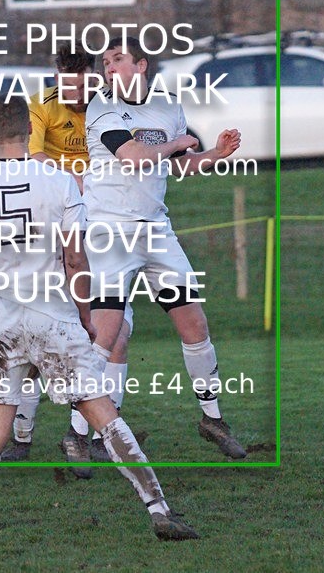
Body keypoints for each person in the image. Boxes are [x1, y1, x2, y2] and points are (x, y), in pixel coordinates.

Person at [0, 99, 199, 545]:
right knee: (105, 417)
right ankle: (158, 510)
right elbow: (75, 258)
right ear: (28, 127)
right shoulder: (59, 181)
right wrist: (84, 314)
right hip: (53, 314)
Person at [84, 36, 246, 459]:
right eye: (104, 62)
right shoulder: (102, 107)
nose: (108, 68)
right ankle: (80, 434)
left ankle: (212, 419)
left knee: (194, 322)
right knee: (106, 333)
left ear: (141, 65)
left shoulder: (168, 106)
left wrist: (215, 153)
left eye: (116, 60)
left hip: (155, 231)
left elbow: (179, 164)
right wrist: (178, 143)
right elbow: (135, 155)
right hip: (110, 231)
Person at [1, 42, 133, 478]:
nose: (75, 93)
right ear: (57, 77)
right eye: (67, 83)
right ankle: (21, 433)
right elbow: (33, 157)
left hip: (107, 225)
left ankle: (94, 435)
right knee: (42, 329)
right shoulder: (41, 107)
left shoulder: (108, 104)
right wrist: (78, 179)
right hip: (58, 225)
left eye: (82, 83)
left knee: (118, 331)